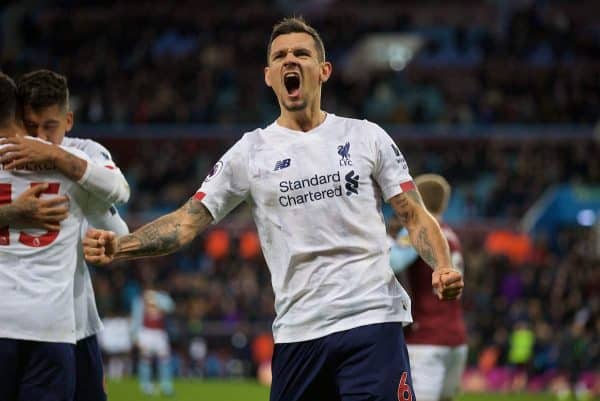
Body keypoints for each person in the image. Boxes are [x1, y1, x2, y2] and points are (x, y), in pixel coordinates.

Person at [83, 17, 464, 401]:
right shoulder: (249, 154)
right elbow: (186, 222)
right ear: (269, 76)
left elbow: (414, 215)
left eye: (301, 53)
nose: (290, 61)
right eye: (280, 56)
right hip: (299, 334)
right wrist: (122, 245)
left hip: (371, 322)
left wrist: (443, 265)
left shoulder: (366, 136)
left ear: (324, 71)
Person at [0, 69, 131, 401]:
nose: (40, 139)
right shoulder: (75, 165)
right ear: (17, 117)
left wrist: (106, 242)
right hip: (49, 322)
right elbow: (120, 207)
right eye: (31, 127)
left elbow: (118, 215)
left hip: (76, 316)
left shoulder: (80, 155)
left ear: (68, 121)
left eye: (49, 127)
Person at [389, 174, 467, 401]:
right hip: (456, 337)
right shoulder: (451, 235)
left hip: (425, 339)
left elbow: (392, 262)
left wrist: (388, 241)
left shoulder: (419, 233)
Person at [131, 289, 175, 395]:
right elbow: (136, 318)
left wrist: (158, 297)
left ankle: (166, 386)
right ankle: (145, 386)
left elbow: (170, 307)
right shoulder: (139, 301)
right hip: (146, 332)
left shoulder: (161, 299)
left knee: (164, 359)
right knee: (145, 359)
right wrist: (135, 336)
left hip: (159, 333)